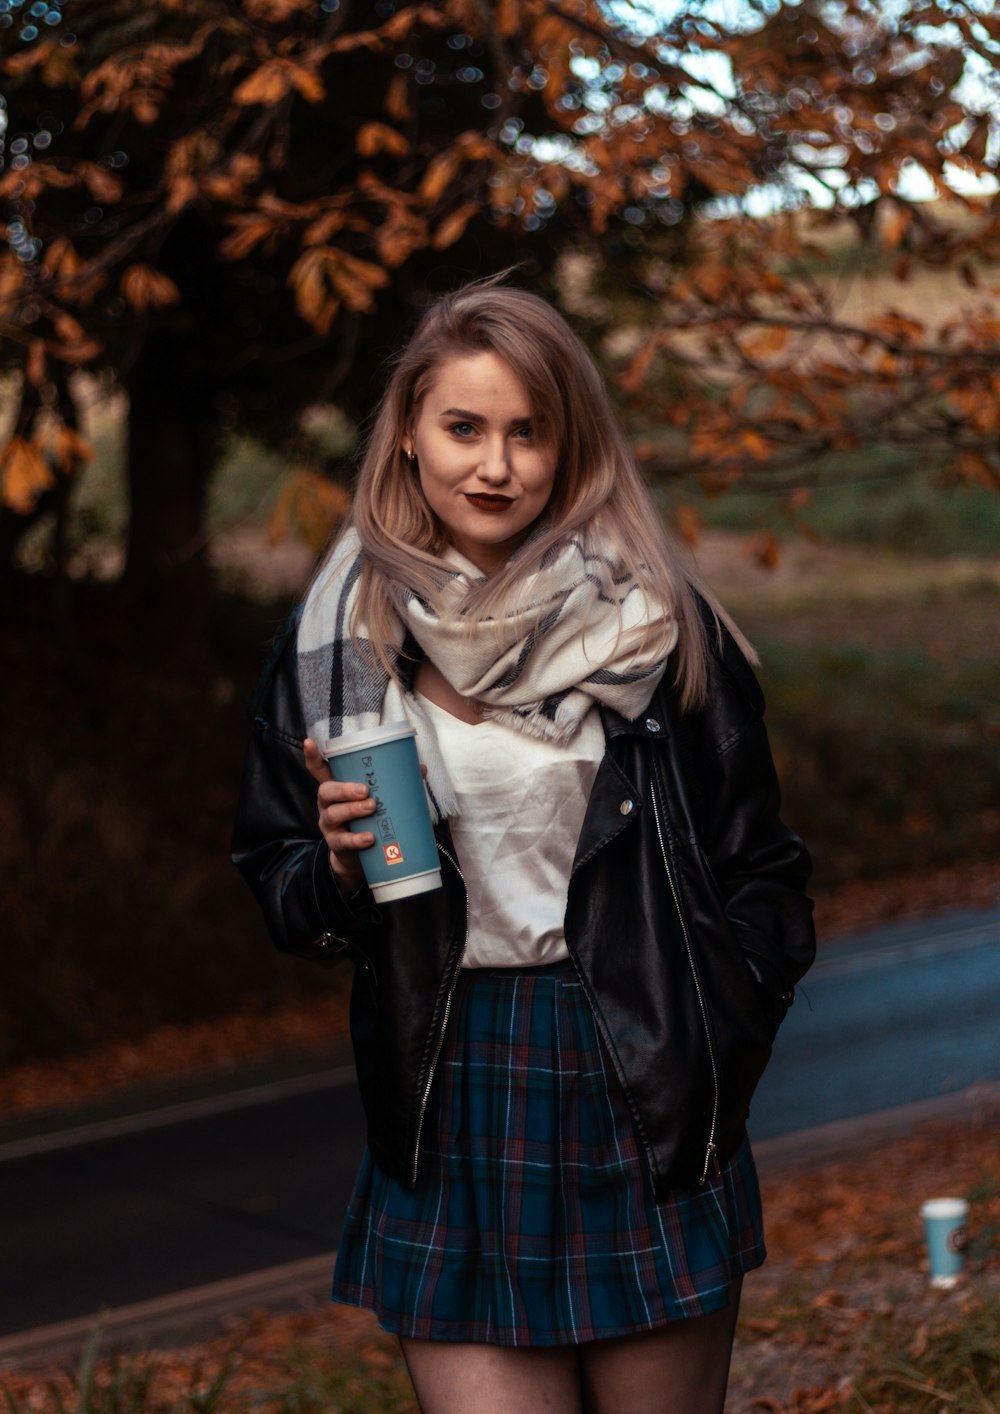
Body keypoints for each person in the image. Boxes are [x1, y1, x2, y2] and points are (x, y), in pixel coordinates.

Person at [232, 275, 815, 1414]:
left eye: (526, 433)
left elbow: (764, 875)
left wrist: (715, 1038)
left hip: (642, 1071)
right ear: (409, 432)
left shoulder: (657, 629)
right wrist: (340, 869)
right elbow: (278, 884)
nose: (493, 465)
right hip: (454, 1081)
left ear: (569, 449)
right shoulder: (339, 644)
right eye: (463, 427)